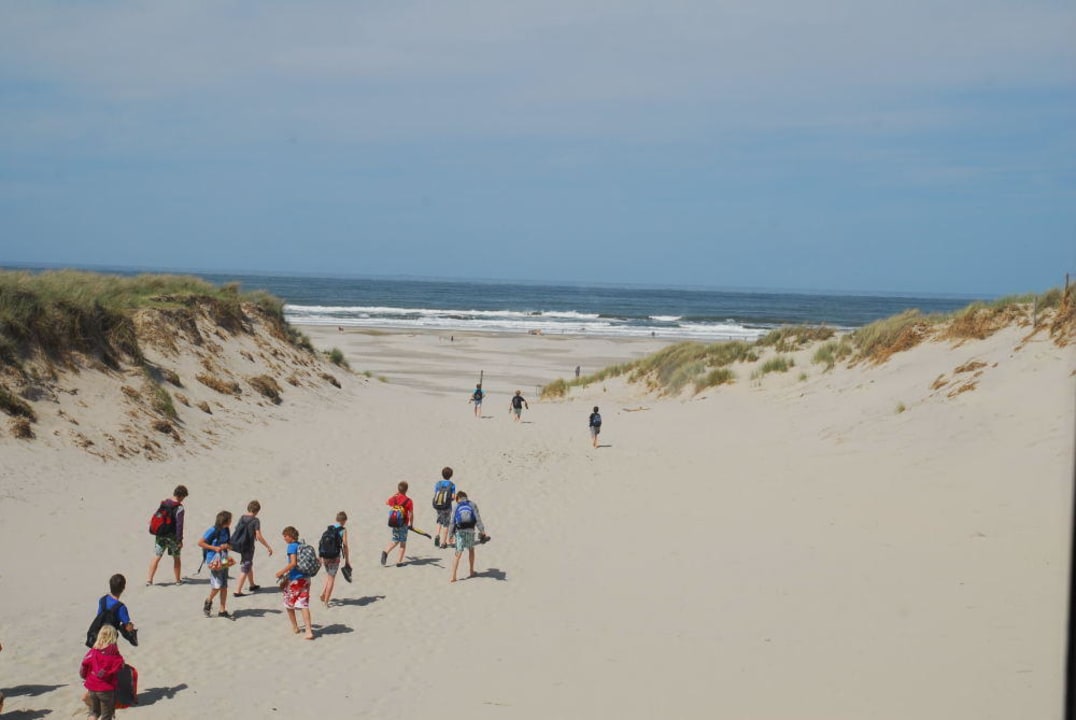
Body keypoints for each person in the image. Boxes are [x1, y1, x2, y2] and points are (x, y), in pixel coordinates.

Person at [276, 526, 314, 640]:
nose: (284, 538)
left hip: (296, 580)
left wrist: (281, 572)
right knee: (304, 604)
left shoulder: (291, 547)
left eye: (285, 536)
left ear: (290, 536)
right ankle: (308, 631)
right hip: (306, 579)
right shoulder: (300, 545)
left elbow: (293, 563)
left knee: (288, 604)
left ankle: (295, 627)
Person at [146, 484, 188, 586]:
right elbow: (179, 525)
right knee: (176, 557)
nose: (183, 500)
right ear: (181, 496)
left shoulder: (164, 503)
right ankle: (178, 580)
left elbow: (157, 515)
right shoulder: (179, 508)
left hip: (160, 534)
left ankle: (149, 580)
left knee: (157, 556)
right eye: (183, 497)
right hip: (172, 536)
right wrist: (179, 540)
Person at [80, 625, 124, 720]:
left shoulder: (93, 651)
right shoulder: (114, 653)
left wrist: (85, 677)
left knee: (94, 712)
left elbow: (84, 665)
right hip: (106, 689)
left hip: (92, 687)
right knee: (106, 715)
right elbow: (120, 665)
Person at [232, 500, 274, 597]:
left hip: (240, 545)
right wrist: (267, 546)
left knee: (248, 563)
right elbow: (258, 536)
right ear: (257, 511)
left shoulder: (242, 518)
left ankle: (252, 585)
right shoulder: (255, 520)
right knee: (246, 566)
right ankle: (237, 591)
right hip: (248, 546)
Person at [198, 510, 233, 619]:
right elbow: (200, 543)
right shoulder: (212, 530)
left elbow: (230, 544)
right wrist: (214, 548)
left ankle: (222, 610)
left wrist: (227, 546)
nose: (231, 521)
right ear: (225, 520)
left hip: (223, 558)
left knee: (224, 586)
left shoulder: (226, 530)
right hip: (213, 559)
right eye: (230, 519)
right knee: (217, 585)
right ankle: (208, 600)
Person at [448, 491, 488, 583]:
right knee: (471, 549)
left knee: (458, 553)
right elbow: (478, 519)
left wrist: (450, 535)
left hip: (459, 531)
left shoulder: (456, 506)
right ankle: (471, 571)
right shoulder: (472, 504)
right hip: (470, 531)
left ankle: (453, 576)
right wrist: (482, 531)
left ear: (458, 498)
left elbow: (452, 522)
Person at [318, 511, 350, 608]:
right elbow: (345, 545)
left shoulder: (329, 528)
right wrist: (347, 558)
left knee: (329, 576)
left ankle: (323, 593)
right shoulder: (343, 530)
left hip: (325, 556)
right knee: (332, 579)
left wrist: (320, 556)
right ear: (344, 521)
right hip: (334, 557)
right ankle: (326, 602)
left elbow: (321, 542)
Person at [381, 481, 414, 567]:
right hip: (404, 524)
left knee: (395, 540)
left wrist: (395, 495)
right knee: (402, 543)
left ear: (398, 489)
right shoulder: (409, 501)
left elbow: (386, 502)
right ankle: (399, 562)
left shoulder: (394, 499)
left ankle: (385, 552)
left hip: (395, 522)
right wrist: (411, 524)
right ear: (407, 490)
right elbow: (411, 514)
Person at [432, 467, 457, 548]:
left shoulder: (438, 483)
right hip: (446, 507)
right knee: (446, 524)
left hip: (438, 506)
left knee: (439, 521)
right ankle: (443, 542)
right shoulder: (452, 485)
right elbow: (453, 497)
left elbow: (436, 494)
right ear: (451, 475)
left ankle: (437, 535)